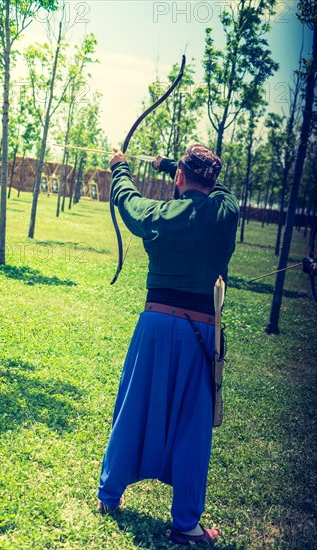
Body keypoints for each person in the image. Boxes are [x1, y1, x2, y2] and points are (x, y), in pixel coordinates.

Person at [97, 143, 239, 545]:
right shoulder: (225, 211)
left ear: (179, 179)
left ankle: (109, 496)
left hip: (156, 325)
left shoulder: (159, 214)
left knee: (134, 407)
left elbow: (127, 201)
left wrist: (120, 167)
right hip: (200, 333)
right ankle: (186, 525)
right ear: (210, 182)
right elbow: (220, 190)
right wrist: (171, 165)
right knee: (193, 423)